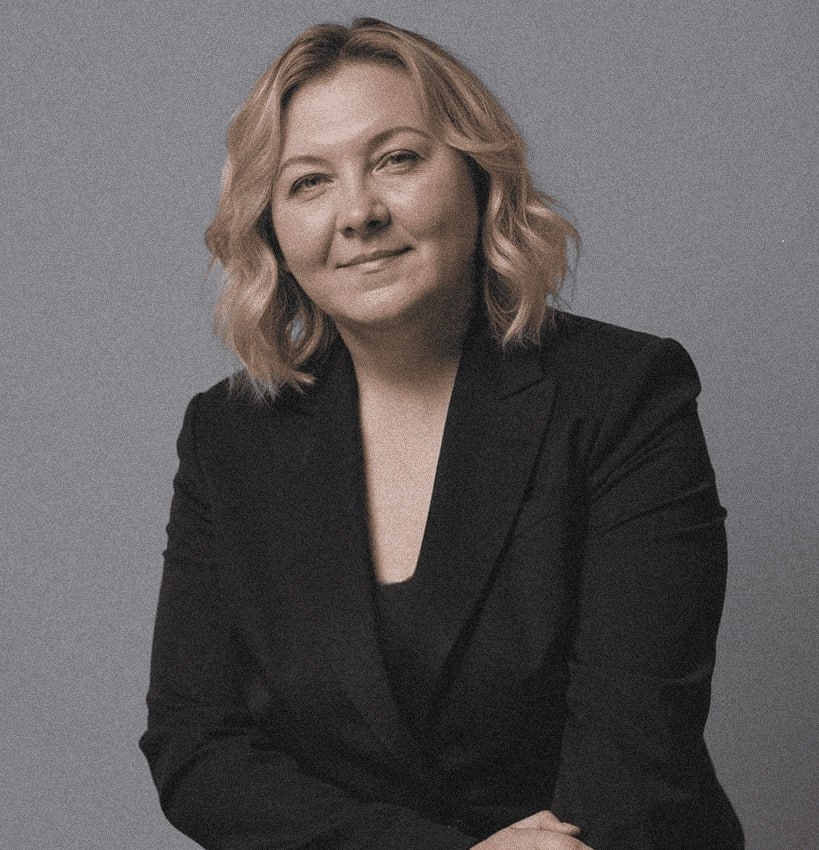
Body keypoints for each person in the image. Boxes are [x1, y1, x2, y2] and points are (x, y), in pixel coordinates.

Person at [139, 18, 744, 850]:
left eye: (396, 159)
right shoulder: (228, 437)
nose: (358, 213)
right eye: (308, 181)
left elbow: (635, 747)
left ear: (477, 176)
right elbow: (197, 750)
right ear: (269, 226)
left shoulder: (622, 392)